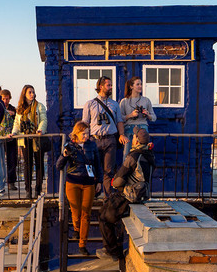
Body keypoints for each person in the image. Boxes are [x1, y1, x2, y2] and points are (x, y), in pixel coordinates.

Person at [98, 129, 155, 261]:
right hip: (142, 194)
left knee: (104, 218)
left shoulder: (133, 156)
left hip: (129, 195)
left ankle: (113, 252)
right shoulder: (149, 154)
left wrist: (115, 184)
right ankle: (114, 249)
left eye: (134, 137)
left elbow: (118, 179)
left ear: (136, 140)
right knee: (106, 213)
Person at [56, 121, 101, 255]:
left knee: (86, 214)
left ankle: (82, 244)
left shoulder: (92, 145)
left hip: (89, 183)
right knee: (75, 211)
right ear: (77, 133)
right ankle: (76, 229)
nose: (86, 136)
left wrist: (98, 181)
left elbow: (98, 164)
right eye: (83, 134)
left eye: (87, 133)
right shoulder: (69, 145)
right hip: (73, 182)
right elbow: (59, 166)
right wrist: (64, 155)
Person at [82, 76, 127, 196]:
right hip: (94, 140)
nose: (111, 87)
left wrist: (121, 134)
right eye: (109, 85)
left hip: (110, 140)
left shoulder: (114, 104)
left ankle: (107, 197)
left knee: (108, 170)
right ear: (101, 87)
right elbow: (85, 123)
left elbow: (119, 121)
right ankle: (93, 195)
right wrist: (82, 137)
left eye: (111, 85)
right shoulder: (90, 104)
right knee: (93, 169)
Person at [11, 84, 47, 197]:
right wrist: (13, 133)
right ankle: (28, 190)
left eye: (33, 92)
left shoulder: (39, 106)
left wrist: (40, 130)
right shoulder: (20, 109)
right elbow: (17, 123)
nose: (32, 94)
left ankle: (38, 188)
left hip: (37, 139)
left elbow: (43, 119)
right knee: (28, 165)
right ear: (24, 94)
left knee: (39, 164)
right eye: (29, 92)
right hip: (25, 139)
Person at [119, 76, 155, 157]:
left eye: (141, 84)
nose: (140, 86)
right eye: (138, 84)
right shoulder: (124, 101)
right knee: (127, 155)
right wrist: (130, 115)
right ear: (131, 86)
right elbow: (119, 118)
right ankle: (127, 170)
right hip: (129, 130)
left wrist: (148, 114)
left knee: (143, 155)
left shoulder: (146, 100)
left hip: (143, 130)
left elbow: (154, 117)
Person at [0, 89, 18, 190]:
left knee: (12, 161)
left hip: (11, 139)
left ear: (10, 99)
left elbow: (18, 122)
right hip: (1, 138)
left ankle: (11, 182)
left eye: (7, 99)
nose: (5, 101)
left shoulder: (13, 109)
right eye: (3, 99)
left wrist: (13, 114)